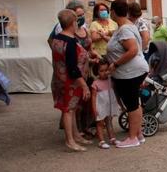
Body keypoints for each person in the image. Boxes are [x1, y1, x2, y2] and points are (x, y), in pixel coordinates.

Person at [106, 0, 149, 148]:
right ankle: (138, 134)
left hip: (130, 72)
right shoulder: (126, 26)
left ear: (113, 12)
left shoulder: (124, 29)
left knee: (131, 105)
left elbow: (132, 50)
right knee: (134, 103)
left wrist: (115, 64)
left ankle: (132, 138)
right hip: (132, 71)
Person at [50, 9, 91, 152]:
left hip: (59, 79)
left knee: (71, 109)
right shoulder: (71, 42)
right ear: (72, 23)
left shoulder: (57, 38)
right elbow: (72, 67)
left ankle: (75, 136)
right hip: (70, 82)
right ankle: (70, 140)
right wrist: (84, 85)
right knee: (68, 110)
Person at [91, 58, 119, 149]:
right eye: (101, 71)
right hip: (101, 106)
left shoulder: (111, 81)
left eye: (106, 70)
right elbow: (94, 97)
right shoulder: (95, 83)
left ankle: (112, 138)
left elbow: (114, 93)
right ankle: (101, 141)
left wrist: (118, 104)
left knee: (109, 122)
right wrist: (94, 109)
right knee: (100, 123)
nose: (104, 72)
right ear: (97, 71)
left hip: (109, 105)